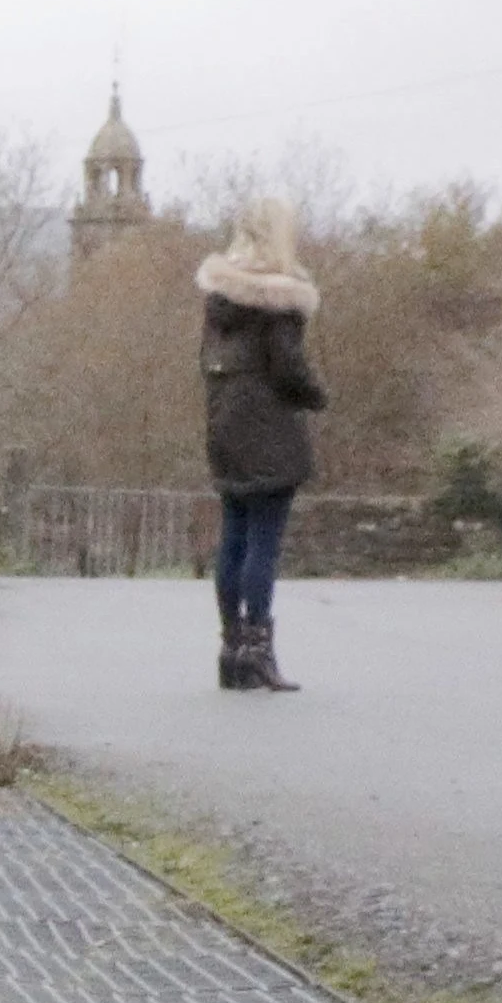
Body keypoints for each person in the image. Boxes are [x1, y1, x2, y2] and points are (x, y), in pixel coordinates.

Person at [197, 204, 329, 692]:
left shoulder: (218, 297)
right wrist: (317, 396)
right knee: (264, 541)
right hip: (269, 429)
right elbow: (289, 370)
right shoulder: (280, 298)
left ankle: (231, 650)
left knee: (234, 533)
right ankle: (258, 650)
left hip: (225, 425)